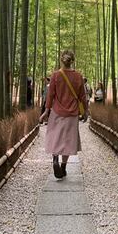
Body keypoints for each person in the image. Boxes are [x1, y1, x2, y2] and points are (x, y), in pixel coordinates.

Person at [39, 50, 88, 179]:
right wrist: (86, 111)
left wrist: (46, 110)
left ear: (61, 60)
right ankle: (63, 167)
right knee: (67, 140)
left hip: (56, 112)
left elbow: (50, 95)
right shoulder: (78, 76)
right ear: (73, 61)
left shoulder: (55, 75)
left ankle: (55, 158)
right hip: (72, 114)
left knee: (55, 136)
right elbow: (83, 96)